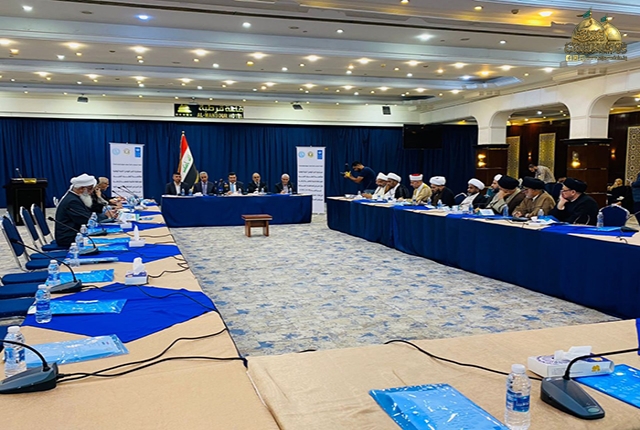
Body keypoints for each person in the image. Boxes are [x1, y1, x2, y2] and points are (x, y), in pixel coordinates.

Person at [54, 174, 96, 247]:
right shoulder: (72, 201)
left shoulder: (75, 197)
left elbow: (87, 214)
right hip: (68, 238)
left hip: (75, 233)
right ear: (81, 189)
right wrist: (104, 216)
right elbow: (86, 219)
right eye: (90, 189)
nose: (91, 192)